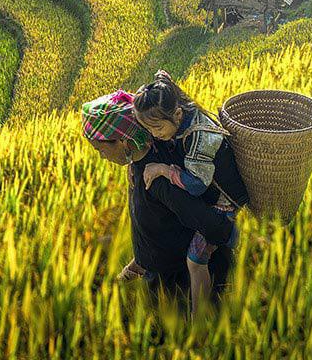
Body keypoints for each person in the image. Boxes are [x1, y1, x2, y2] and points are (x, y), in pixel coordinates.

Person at [81, 90, 236, 305]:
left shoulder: (158, 180)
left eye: (101, 149)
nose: (101, 156)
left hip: (172, 290)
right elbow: (154, 224)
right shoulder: (138, 164)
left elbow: (211, 225)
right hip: (152, 270)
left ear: (124, 142)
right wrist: (139, 262)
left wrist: (230, 235)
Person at [132, 70, 249, 314]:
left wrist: (164, 169)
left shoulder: (200, 136)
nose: (155, 135)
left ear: (176, 114)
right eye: (149, 129)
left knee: (195, 261)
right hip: (208, 196)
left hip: (224, 202)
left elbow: (197, 185)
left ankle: (199, 319)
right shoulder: (179, 119)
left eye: (157, 128)